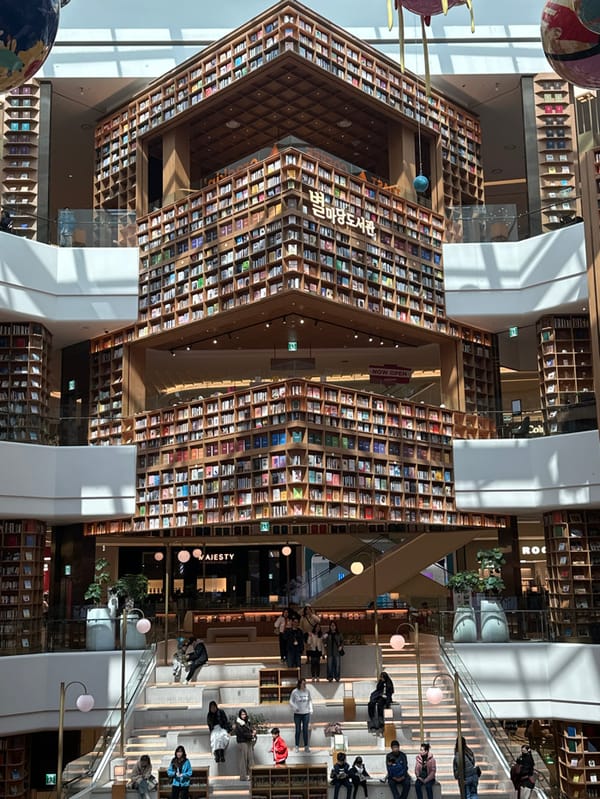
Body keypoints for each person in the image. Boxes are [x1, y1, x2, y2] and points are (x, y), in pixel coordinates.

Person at [231, 708, 256, 781]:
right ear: (240, 715)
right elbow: (241, 733)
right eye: (242, 714)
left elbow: (251, 728)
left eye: (244, 714)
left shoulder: (248, 721)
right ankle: (243, 776)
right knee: (243, 760)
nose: (244, 715)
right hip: (242, 742)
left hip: (248, 741)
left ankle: (252, 775)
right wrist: (251, 735)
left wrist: (254, 732)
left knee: (251, 759)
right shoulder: (238, 723)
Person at [289, 677, 313, 752]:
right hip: (297, 714)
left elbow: (309, 700)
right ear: (299, 684)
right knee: (298, 730)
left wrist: (311, 708)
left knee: (305, 730)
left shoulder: (307, 691)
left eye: (305, 683)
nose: (304, 685)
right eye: (303, 683)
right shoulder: (294, 692)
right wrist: (294, 707)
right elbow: (291, 701)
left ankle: (306, 746)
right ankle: (296, 746)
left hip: (306, 713)